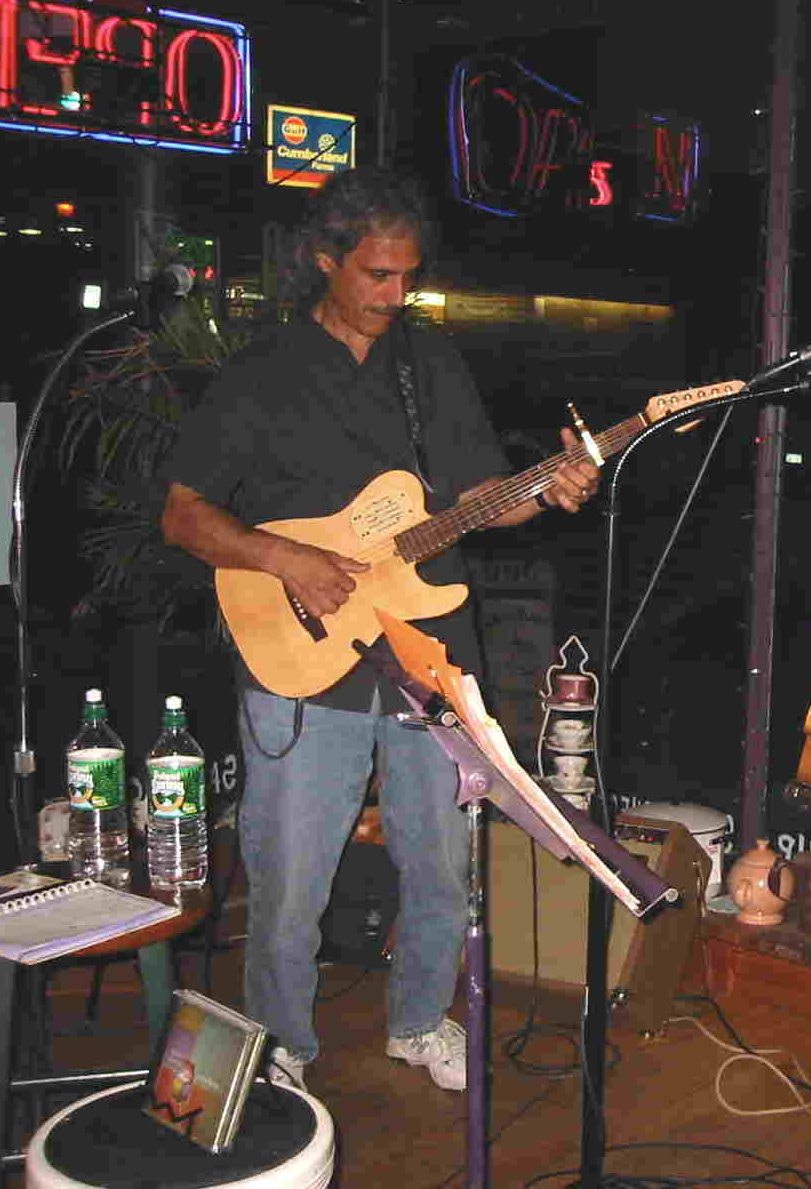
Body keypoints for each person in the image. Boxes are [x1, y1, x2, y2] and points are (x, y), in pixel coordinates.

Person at [159, 166, 599, 1093]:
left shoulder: (428, 363)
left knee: (443, 866)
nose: (397, 295)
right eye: (377, 276)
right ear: (325, 262)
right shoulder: (262, 372)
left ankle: (418, 1021)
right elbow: (185, 515)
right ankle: (279, 1050)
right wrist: (286, 560)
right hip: (302, 662)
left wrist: (542, 489)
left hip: (426, 652)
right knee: (290, 884)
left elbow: (478, 496)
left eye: (408, 276)